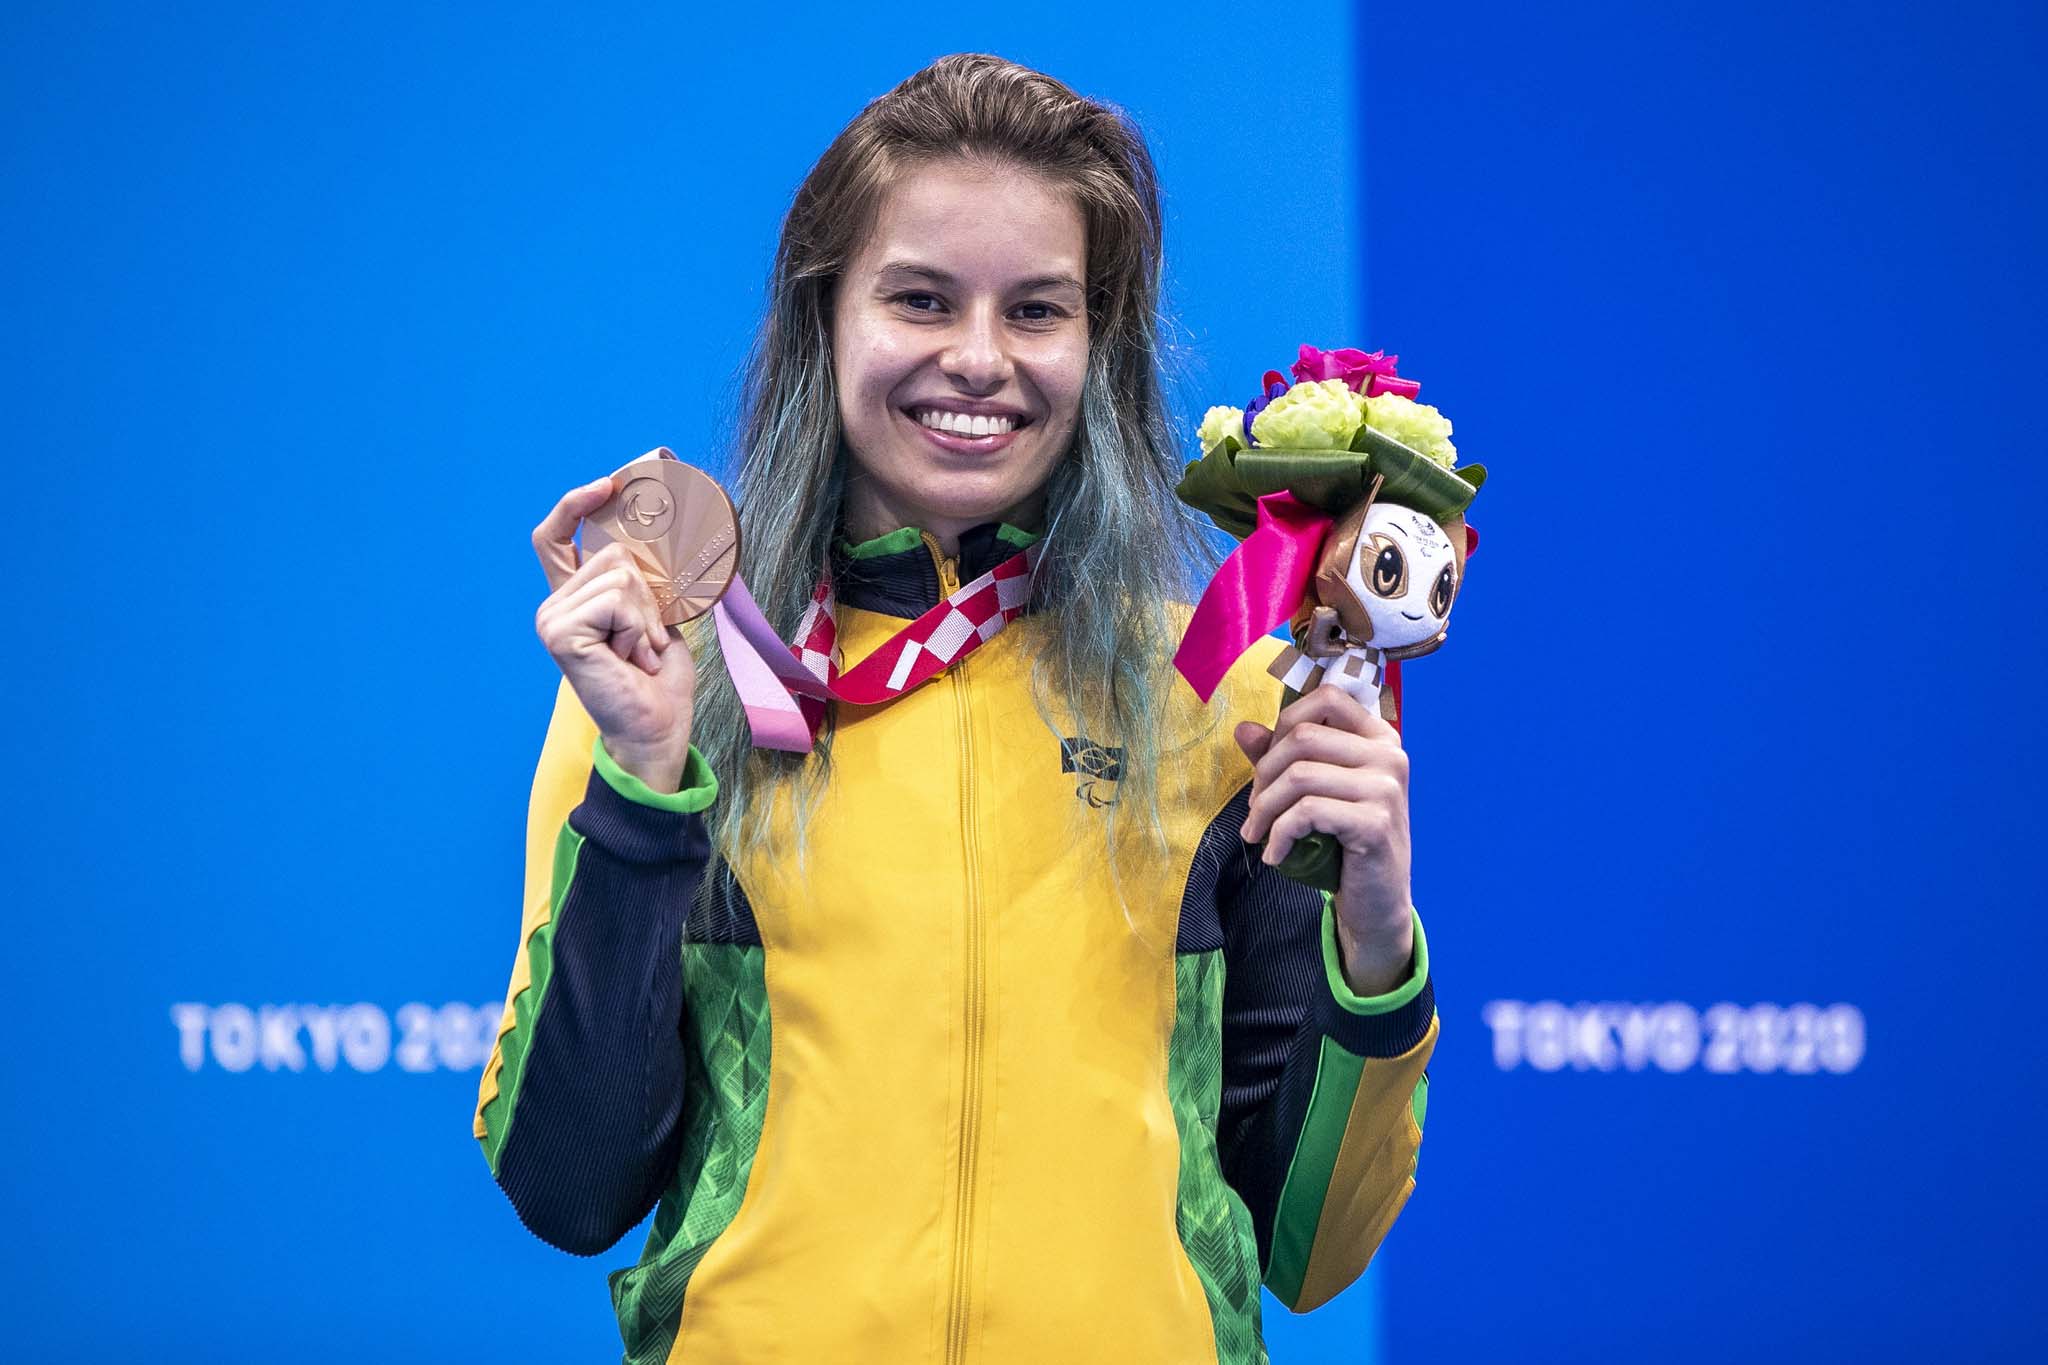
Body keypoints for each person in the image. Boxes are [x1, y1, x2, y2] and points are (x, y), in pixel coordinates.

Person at [473, 52, 1437, 1365]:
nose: (979, 360)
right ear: (826, 317)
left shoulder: (1221, 699)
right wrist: (643, 787)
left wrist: (1375, 943)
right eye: (921, 298)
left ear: (1099, 343)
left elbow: (1310, 1251)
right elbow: (570, 1189)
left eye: (1037, 309)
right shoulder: (675, 685)